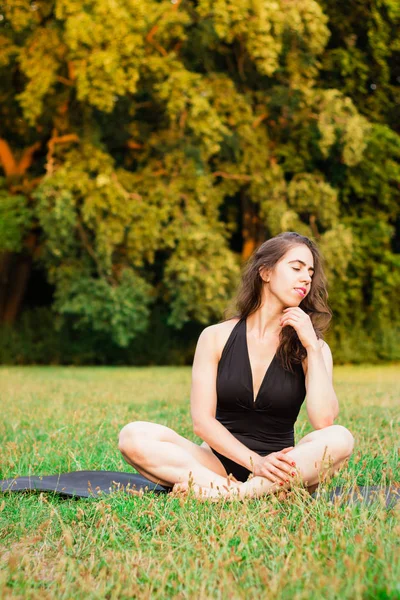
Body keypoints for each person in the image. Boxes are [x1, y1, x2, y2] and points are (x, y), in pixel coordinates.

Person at [118, 232, 355, 501]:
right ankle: (244, 493)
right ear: (265, 272)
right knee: (133, 436)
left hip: (282, 469)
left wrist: (311, 346)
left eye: (310, 272)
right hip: (216, 463)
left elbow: (323, 420)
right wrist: (256, 463)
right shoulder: (215, 337)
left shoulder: (313, 347)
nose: (306, 279)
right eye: (296, 268)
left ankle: (229, 495)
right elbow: (202, 422)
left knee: (340, 438)